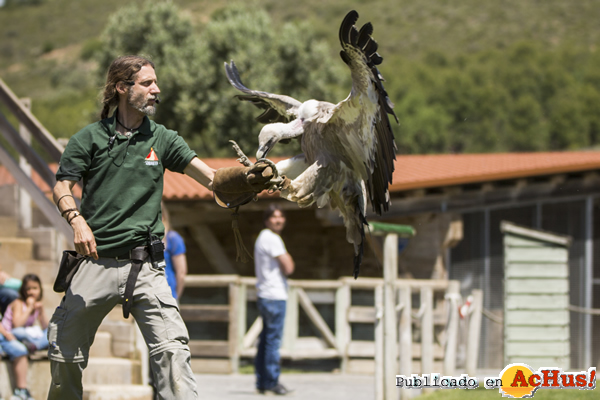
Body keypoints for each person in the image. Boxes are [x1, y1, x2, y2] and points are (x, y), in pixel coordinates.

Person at [49, 55, 275, 400]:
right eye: (147, 83)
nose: (157, 90)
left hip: (146, 267)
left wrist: (247, 179)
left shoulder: (163, 139)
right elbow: (62, 186)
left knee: (173, 351)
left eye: (156, 83)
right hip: (94, 262)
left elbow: (213, 179)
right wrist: (77, 221)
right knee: (64, 353)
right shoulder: (88, 139)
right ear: (122, 88)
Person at [254, 204, 295, 396]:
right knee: (272, 341)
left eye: (281, 216)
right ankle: (271, 381)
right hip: (274, 295)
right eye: (274, 217)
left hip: (265, 294)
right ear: (266, 220)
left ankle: (262, 381)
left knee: (265, 340)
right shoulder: (272, 238)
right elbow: (288, 267)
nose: (278, 220)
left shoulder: (263, 237)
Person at [1, 274, 49, 400]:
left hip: (26, 337)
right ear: (23, 291)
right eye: (28, 289)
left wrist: (41, 311)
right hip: (11, 334)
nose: (31, 292)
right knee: (20, 334)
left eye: (35, 288)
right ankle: (21, 391)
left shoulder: (38, 305)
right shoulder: (18, 303)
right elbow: (16, 325)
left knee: (51, 331)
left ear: (40, 290)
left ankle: (34, 345)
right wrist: (28, 308)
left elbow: (45, 327)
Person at [161, 203, 187, 301]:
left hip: (167, 294)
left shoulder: (173, 238)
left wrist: (175, 296)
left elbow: (181, 272)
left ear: (162, 216)